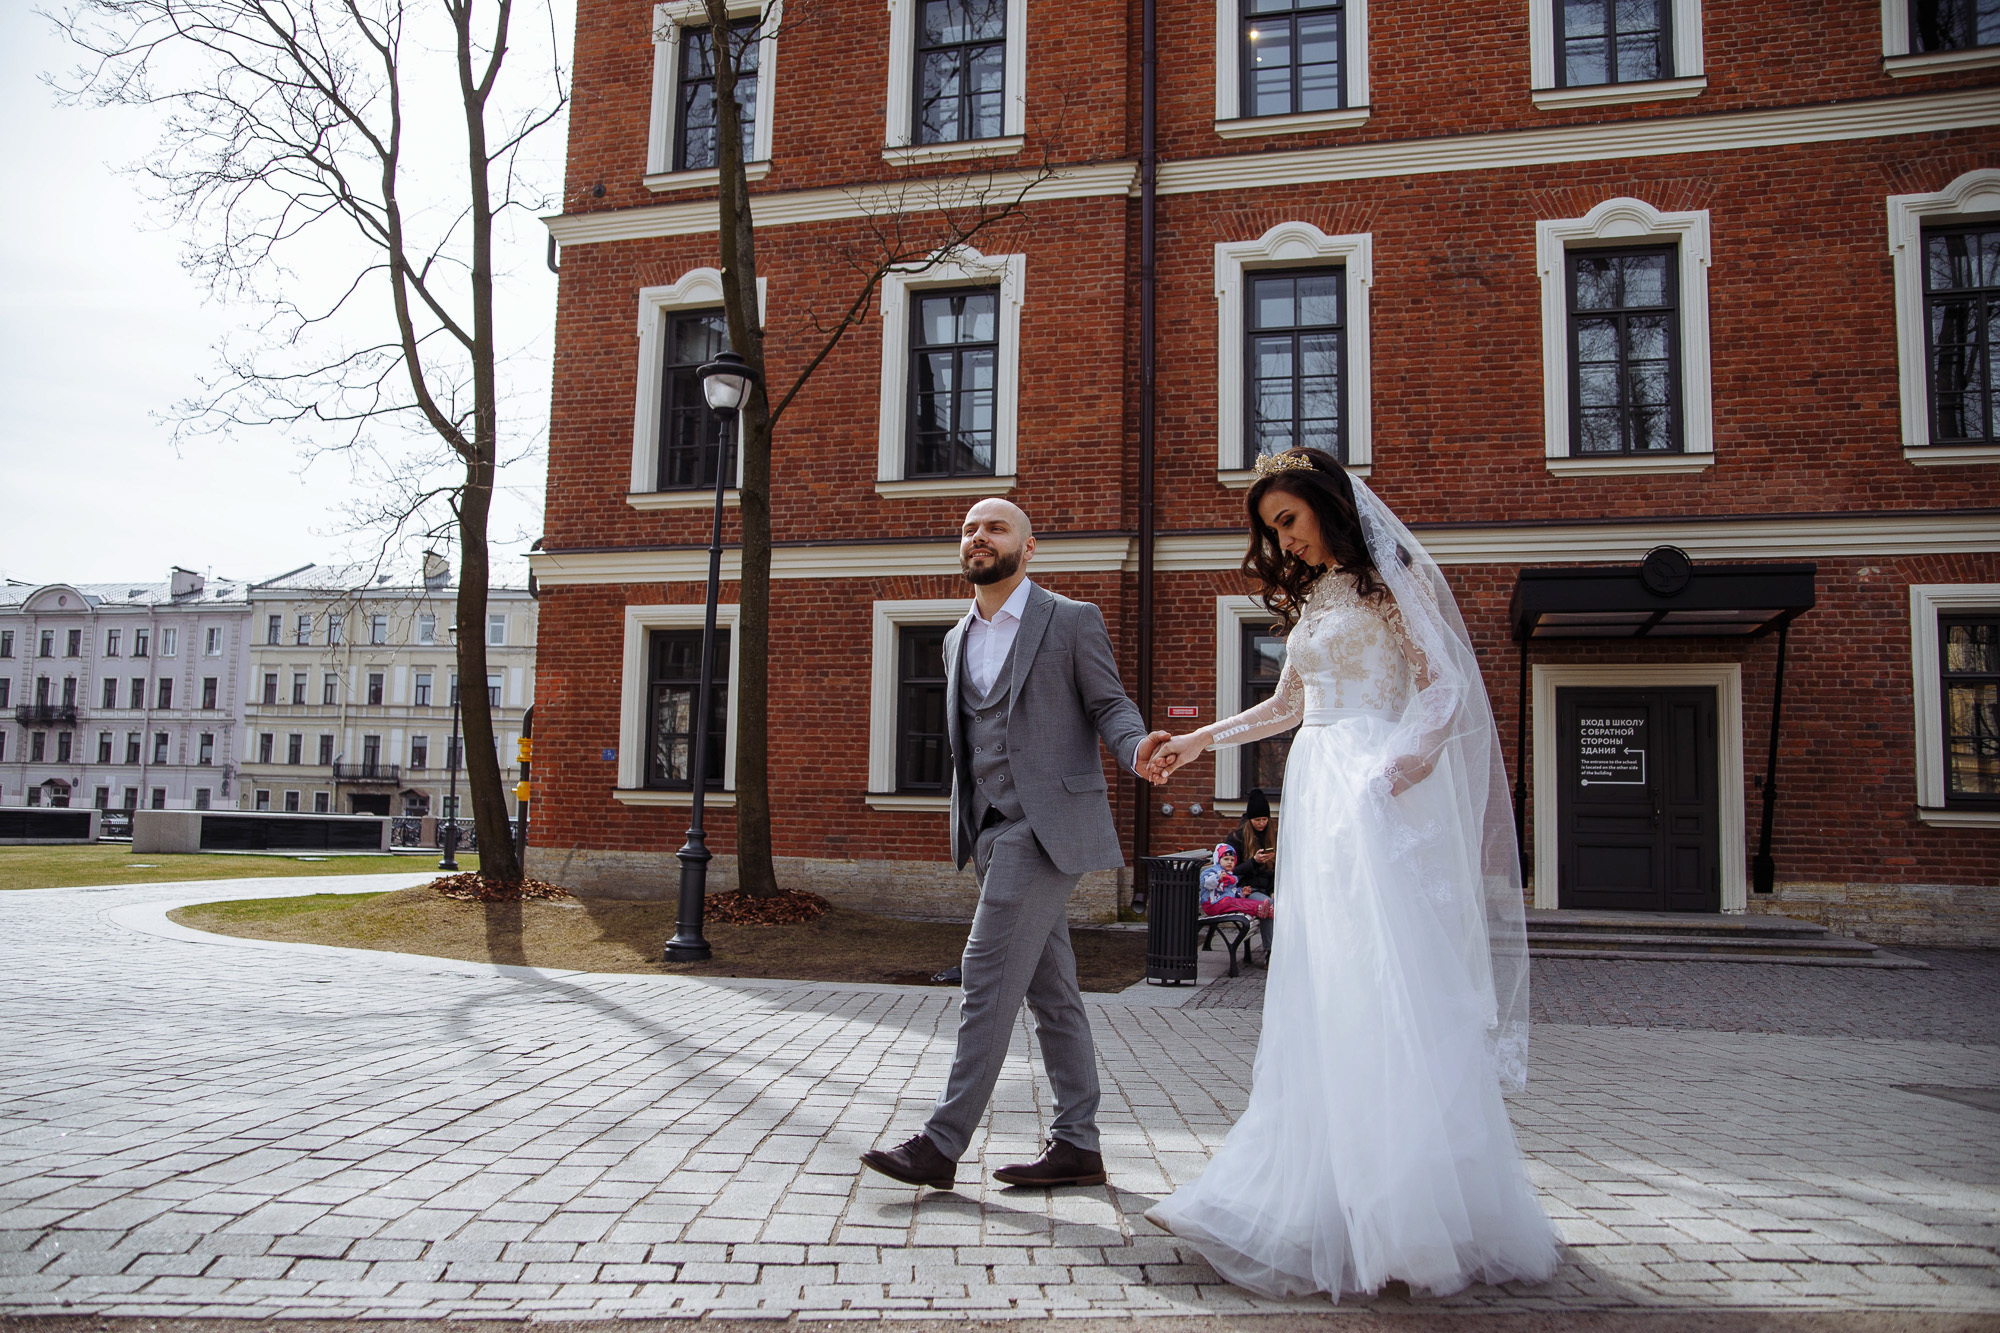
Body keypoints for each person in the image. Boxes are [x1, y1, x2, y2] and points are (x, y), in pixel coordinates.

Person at [1141, 448, 1559, 1300]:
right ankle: (1320, 1195)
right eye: (1272, 531)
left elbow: (1444, 690)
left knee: (1387, 985)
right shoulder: (1320, 596)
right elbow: (1287, 705)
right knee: (1325, 989)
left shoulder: (1384, 583)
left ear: (1329, 505)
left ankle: (1408, 1210)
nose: (1283, 542)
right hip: (1319, 785)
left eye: (1288, 521)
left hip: (1370, 786)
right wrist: (1192, 742)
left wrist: (1391, 772)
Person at [861, 498, 1168, 1192]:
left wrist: (1136, 746)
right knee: (1053, 993)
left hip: (1046, 824)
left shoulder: (1070, 619)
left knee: (986, 972)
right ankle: (1078, 1144)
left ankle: (942, 1143)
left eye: (996, 527)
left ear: (1029, 548)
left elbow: (1109, 704)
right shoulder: (953, 637)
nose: (979, 536)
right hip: (990, 832)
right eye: (969, 528)